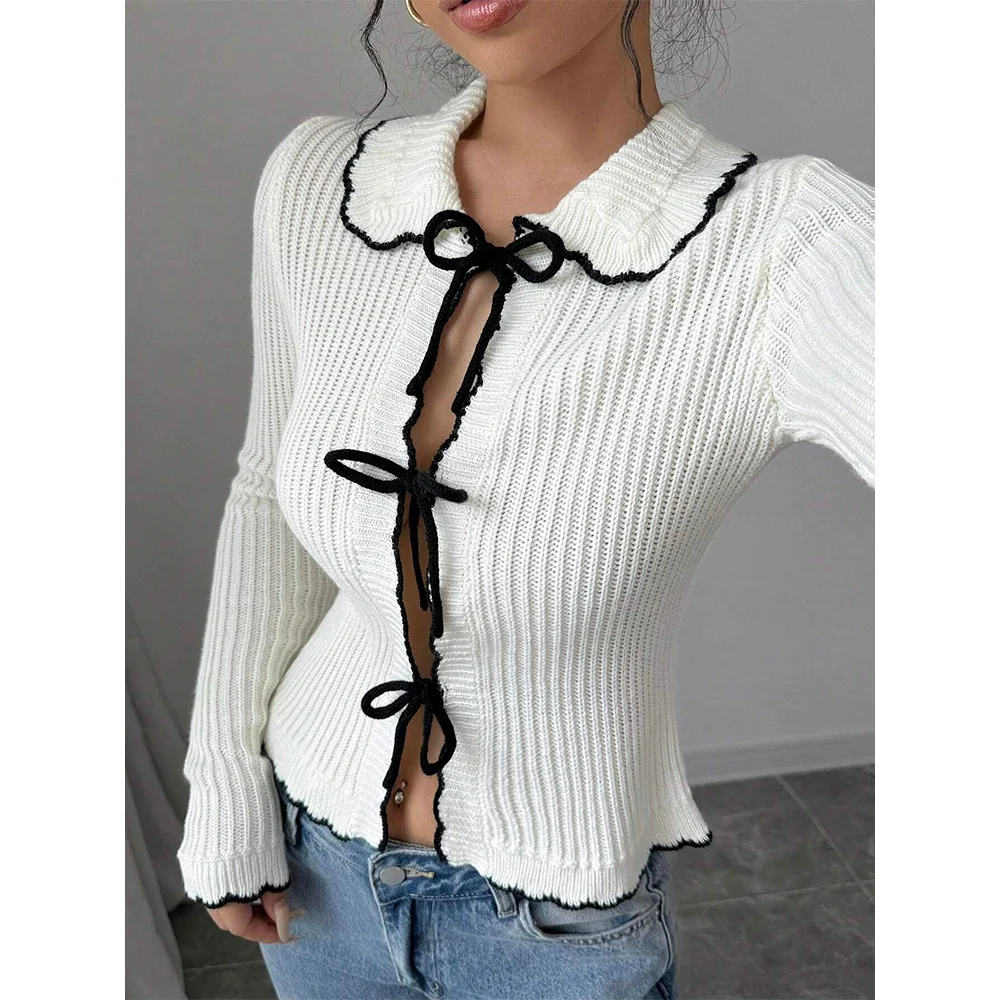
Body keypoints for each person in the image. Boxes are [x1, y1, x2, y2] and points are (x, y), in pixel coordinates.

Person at [175, 2, 874, 998]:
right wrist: (223, 791)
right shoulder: (321, 182)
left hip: (553, 934)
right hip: (314, 877)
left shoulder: (783, 243)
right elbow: (264, 500)